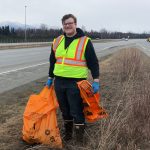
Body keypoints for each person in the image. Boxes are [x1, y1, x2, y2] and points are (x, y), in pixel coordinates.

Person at [46, 14, 100, 143]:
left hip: (76, 82)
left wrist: (96, 80)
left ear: (75, 24)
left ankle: (79, 139)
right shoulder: (57, 40)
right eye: (65, 23)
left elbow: (93, 62)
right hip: (59, 82)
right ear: (63, 26)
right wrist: (50, 77)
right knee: (65, 110)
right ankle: (68, 135)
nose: (67, 25)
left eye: (70, 23)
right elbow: (53, 61)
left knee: (76, 110)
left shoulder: (85, 41)